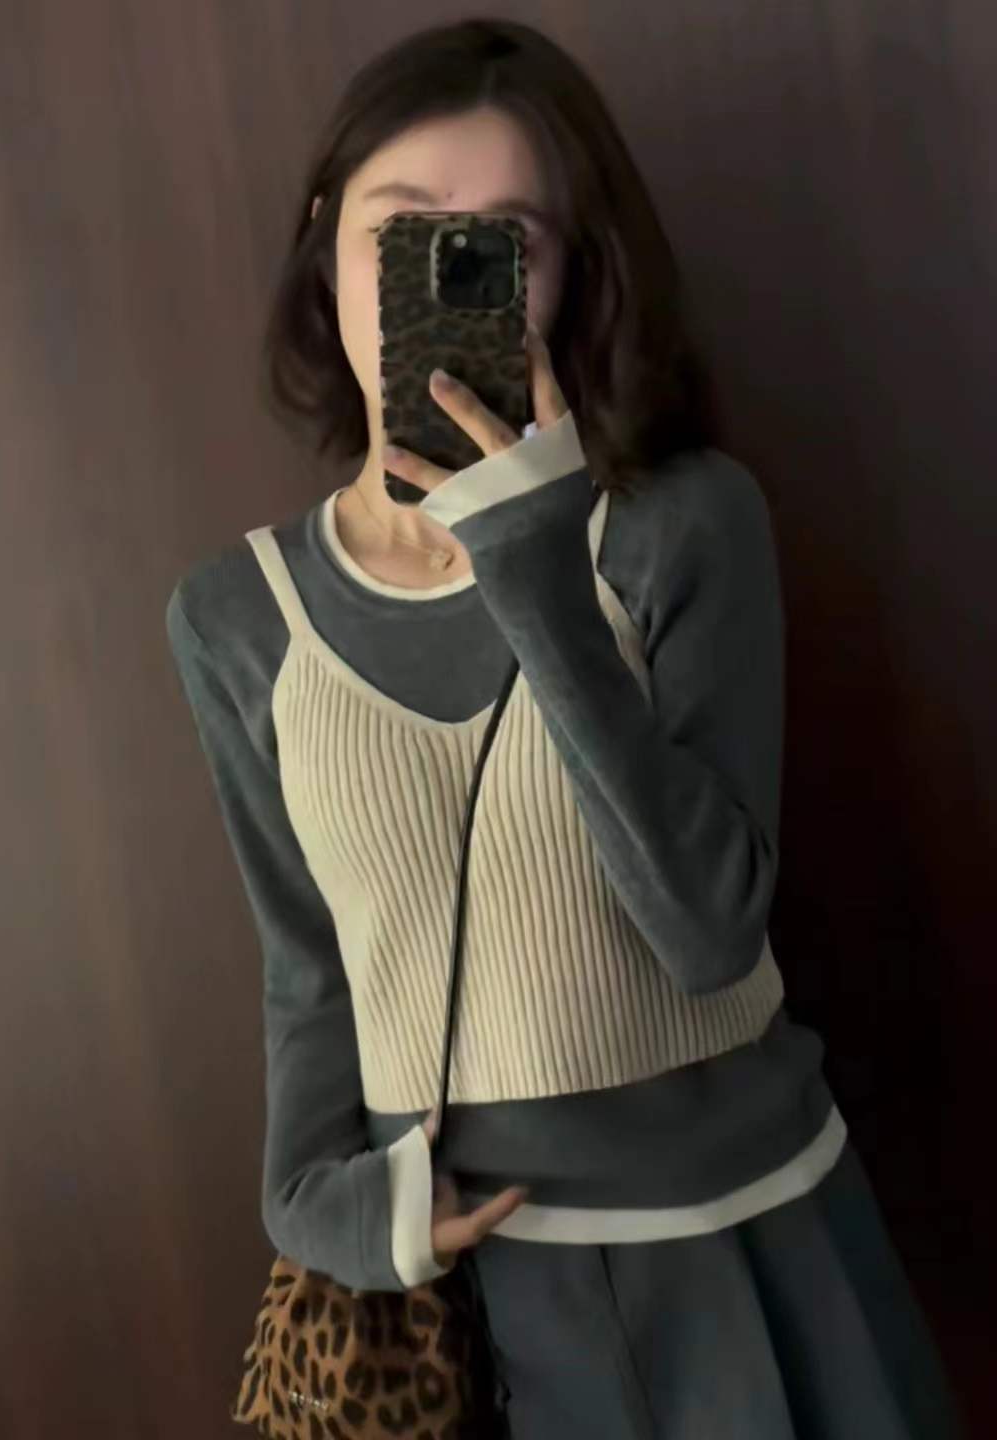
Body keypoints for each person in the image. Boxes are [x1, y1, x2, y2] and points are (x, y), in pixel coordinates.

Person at [166, 17, 962, 1439]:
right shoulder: (237, 616)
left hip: (745, 1242)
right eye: (404, 233)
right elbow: (308, 968)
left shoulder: (684, 523)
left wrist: (532, 566)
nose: (450, 281)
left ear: (573, 270)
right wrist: (320, 1208)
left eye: (504, 244)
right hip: (470, 1299)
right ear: (325, 244)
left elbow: (712, 934)